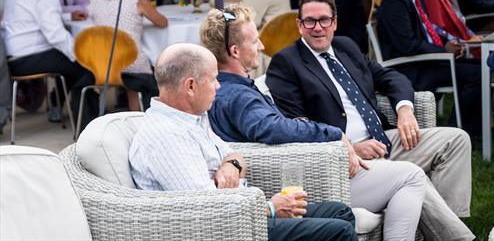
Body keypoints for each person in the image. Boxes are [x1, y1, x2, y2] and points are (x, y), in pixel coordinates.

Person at [202, 4, 433, 241]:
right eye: (255, 42)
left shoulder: (229, 89)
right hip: (307, 172)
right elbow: (274, 128)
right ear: (235, 51)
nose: (261, 46)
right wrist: (333, 134)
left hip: (311, 162)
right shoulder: (237, 96)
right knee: (412, 176)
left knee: (412, 179)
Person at [267, 0, 475, 240]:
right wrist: (350, 147)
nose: (317, 28)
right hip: (345, 159)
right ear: (300, 25)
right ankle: (458, 237)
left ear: (334, 22)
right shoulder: (286, 63)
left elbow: (391, 77)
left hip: (385, 139)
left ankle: (446, 222)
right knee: (410, 176)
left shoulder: (345, 47)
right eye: (309, 21)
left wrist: (405, 109)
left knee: (456, 140)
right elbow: (296, 125)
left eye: (324, 20)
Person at [129, 43, 357, 241]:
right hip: (227, 230)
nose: (218, 87)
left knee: (340, 212)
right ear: (190, 86)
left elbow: (236, 156)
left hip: (241, 213)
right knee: (340, 231)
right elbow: (207, 209)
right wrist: (270, 208)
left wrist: (232, 165)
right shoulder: (166, 135)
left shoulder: (192, 118)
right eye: (214, 79)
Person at [375, 0, 482, 139]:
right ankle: (457, 131)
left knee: (483, 67)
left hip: (427, 61)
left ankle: (469, 128)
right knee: (477, 74)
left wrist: (449, 45)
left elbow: (428, 29)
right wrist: (442, 51)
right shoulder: (394, 0)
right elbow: (406, 45)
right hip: (410, 66)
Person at [2, 0, 97, 128]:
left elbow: (37, 17)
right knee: (86, 70)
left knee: (73, 65)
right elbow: (55, 35)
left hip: (13, 55)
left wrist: (68, 16)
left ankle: (72, 113)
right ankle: (88, 126)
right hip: (29, 57)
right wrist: (81, 55)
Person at [88, 0, 168, 110]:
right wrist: (148, 4)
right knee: (137, 85)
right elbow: (163, 22)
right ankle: (137, 122)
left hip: (106, 64)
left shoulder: (93, 2)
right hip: (133, 64)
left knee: (130, 83)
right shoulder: (137, 0)